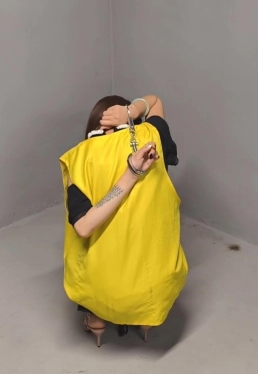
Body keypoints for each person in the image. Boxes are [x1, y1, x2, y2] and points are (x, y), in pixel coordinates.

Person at [59, 94, 187, 347]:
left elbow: (83, 227)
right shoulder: (151, 138)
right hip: (155, 280)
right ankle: (146, 320)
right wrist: (132, 111)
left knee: (87, 258)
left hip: (106, 284)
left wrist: (130, 175)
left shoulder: (79, 158)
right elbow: (156, 102)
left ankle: (96, 319)